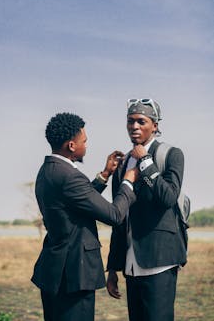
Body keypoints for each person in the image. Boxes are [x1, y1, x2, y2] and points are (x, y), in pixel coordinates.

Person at [31, 112, 139, 321]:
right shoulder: (70, 176)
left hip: (55, 271)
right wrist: (128, 181)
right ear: (71, 145)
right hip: (74, 274)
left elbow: (77, 202)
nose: (86, 146)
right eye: (84, 141)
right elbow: (114, 214)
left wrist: (104, 175)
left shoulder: (48, 170)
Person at [106, 99, 187, 321]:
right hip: (131, 264)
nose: (134, 126)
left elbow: (168, 197)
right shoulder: (123, 164)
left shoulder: (171, 154)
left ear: (155, 125)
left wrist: (145, 161)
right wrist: (113, 268)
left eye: (141, 121)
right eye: (130, 121)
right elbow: (119, 217)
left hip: (160, 260)